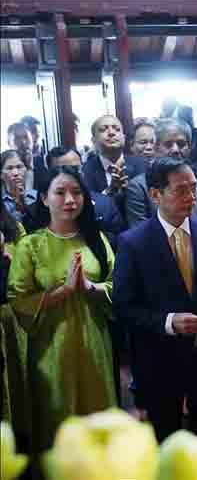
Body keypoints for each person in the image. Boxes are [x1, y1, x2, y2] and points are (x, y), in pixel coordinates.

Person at [113, 157, 197, 442]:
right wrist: (169, 322)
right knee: (165, 437)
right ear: (155, 195)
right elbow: (123, 306)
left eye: (194, 188)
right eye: (180, 190)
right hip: (159, 358)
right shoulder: (133, 242)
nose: (191, 197)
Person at [8, 166, 116, 453]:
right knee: (56, 419)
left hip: (94, 344)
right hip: (50, 348)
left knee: (97, 419)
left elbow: (119, 286)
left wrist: (91, 288)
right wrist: (62, 292)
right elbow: (18, 299)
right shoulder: (30, 246)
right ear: (44, 199)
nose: (70, 199)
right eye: (60, 192)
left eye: (76, 192)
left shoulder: (96, 240)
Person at [125, 118, 197, 227]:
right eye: (168, 144)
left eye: (181, 144)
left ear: (189, 148)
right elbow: (139, 235)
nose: (175, 150)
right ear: (156, 147)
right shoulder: (139, 187)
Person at [0, 201, 29, 446]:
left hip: (13, 317)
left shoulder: (14, 228)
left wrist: (10, 261)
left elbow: (29, 274)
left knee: (19, 383)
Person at [81, 115, 145, 203]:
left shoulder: (142, 165)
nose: (111, 132)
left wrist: (130, 191)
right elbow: (88, 206)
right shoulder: (85, 171)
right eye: (103, 129)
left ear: (124, 138)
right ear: (93, 141)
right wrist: (109, 190)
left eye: (117, 129)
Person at [7, 122, 47, 191]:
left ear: (32, 140)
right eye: (17, 138)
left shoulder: (42, 163)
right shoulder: (5, 167)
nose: (23, 142)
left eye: (26, 137)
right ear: (9, 143)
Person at [1, 150, 37, 222]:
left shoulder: (36, 197)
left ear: (26, 169)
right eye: (9, 168)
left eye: (19, 167)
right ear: (1, 174)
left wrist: (23, 204)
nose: (15, 173)